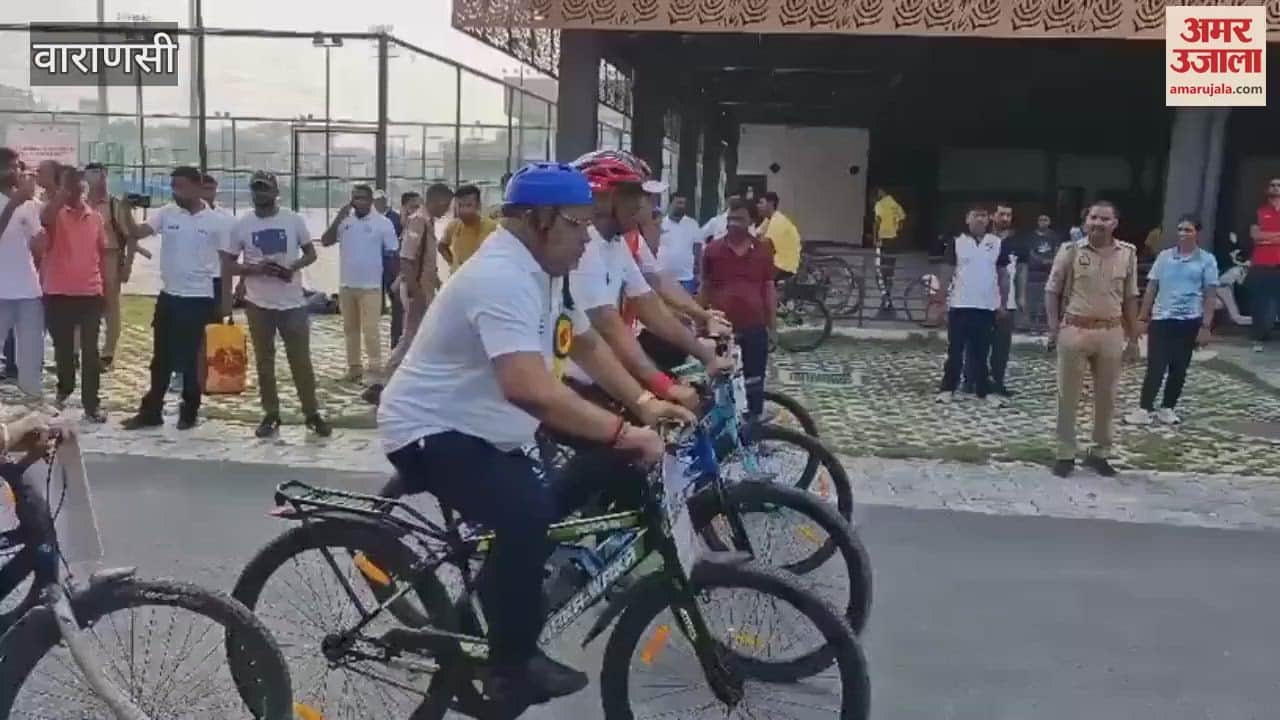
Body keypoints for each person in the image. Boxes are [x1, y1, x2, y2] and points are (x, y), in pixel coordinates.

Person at [376, 162, 691, 713]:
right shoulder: (501, 276)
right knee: (527, 512)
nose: (587, 237)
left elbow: (586, 343)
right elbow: (529, 388)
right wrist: (626, 433)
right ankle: (511, 666)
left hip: (487, 427)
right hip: (432, 428)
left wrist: (645, 403)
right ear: (539, 219)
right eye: (577, 223)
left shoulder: (546, 272)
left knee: (575, 484)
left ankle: (491, 605)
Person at [568, 153, 728, 403]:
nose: (643, 204)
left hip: (604, 373)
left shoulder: (617, 242)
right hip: (576, 381)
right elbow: (608, 325)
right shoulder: (585, 246)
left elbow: (649, 302)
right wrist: (664, 387)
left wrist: (705, 352)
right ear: (604, 197)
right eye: (634, 194)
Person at [220, 171, 332, 439]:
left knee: (301, 362)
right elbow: (228, 264)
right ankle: (271, 414)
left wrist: (292, 267)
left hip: (292, 303)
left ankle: (312, 414)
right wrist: (254, 269)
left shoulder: (292, 220)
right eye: (256, 189)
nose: (260, 194)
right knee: (264, 362)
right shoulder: (242, 224)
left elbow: (311, 253)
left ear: (275, 192)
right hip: (258, 304)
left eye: (265, 188)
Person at [121, 166, 228, 431]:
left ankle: (189, 411)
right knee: (161, 358)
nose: (176, 192)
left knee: (192, 360)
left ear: (196, 187)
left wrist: (225, 301)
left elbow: (227, 263)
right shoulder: (167, 213)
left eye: (181, 186)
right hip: (170, 295)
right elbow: (136, 232)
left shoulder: (217, 221)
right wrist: (125, 209)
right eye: (173, 186)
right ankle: (151, 411)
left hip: (199, 298)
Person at [1046, 200, 1139, 478]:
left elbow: (1130, 297)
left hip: (1111, 331)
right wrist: (1054, 329)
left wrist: (1134, 337)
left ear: (1115, 223)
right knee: (1068, 396)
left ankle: (1099, 453)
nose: (1098, 223)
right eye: (1094, 217)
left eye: (1105, 219)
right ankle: (1065, 453)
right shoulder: (1070, 251)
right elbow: (1052, 290)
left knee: (1107, 397)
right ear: (1086, 221)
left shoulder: (1128, 254)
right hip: (1075, 329)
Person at [360, 185, 451, 405]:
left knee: (417, 337)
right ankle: (385, 384)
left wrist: (438, 285)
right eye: (446, 205)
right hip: (416, 290)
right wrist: (414, 291)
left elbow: (425, 261)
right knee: (409, 338)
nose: (447, 210)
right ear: (437, 201)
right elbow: (407, 258)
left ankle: (404, 382)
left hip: (422, 288)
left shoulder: (427, 221)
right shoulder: (419, 221)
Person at [1124, 215, 1218, 426]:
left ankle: (1168, 407)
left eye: (1188, 230)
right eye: (1180, 229)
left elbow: (1210, 294)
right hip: (1162, 318)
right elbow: (1152, 287)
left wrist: (1206, 325)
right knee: (1156, 365)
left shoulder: (1206, 260)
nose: (1183, 234)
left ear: (1197, 233)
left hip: (1189, 319)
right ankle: (1144, 408)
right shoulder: (1165, 257)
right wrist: (1142, 316)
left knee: (1179, 367)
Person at [37, 166, 108, 422]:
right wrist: (61, 195)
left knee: (91, 351)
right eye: (70, 185)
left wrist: (105, 289)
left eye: (78, 184)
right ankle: (64, 388)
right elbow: (45, 219)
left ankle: (91, 404)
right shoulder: (55, 214)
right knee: (64, 351)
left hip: (90, 294)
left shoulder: (95, 218)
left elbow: (100, 254)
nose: (75, 190)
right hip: (58, 293)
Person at [700, 197, 775, 419]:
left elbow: (769, 288)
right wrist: (699, 321)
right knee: (720, 382)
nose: (733, 224)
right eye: (730, 218)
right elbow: (705, 287)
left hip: (754, 327)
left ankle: (753, 424)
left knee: (754, 381)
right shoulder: (712, 250)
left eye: (740, 219)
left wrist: (773, 326)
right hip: (721, 329)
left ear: (751, 221)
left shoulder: (763, 250)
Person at [321, 184, 398, 382]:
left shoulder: (383, 223)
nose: (359, 202)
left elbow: (393, 252)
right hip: (347, 284)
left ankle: (375, 368)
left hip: (371, 286)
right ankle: (354, 367)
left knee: (371, 329)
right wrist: (338, 217)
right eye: (355, 198)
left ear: (371, 200)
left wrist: (393, 281)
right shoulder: (345, 221)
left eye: (363, 198)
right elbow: (325, 241)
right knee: (350, 329)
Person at [937, 205, 1005, 405]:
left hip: (986, 306)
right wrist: (940, 300)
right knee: (955, 351)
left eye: (983, 216)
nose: (980, 220)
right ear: (968, 219)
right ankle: (948, 388)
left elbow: (1002, 274)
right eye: (976, 216)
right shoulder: (958, 242)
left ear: (988, 219)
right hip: (960, 304)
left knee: (982, 352)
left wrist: (1001, 301)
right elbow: (947, 271)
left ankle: (984, 390)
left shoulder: (996, 243)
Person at [84, 163, 147, 372]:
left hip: (110, 256)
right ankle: (79, 352)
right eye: (92, 174)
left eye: (100, 174)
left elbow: (131, 236)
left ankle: (108, 353)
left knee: (111, 306)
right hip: (84, 259)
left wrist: (128, 266)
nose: (97, 179)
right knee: (83, 305)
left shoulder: (114, 204)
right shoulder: (82, 203)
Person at [0, 149, 45, 401]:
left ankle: (33, 400)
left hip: (28, 291)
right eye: (14, 166)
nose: (19, 171)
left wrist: (41, 241)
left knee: (31, 354)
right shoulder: (17, 202)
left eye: (19, 166)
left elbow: (38, 243)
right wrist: (12, 204)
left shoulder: (30, 204)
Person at [384, 192, 421, 350]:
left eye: (418, 208)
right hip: (398, 282)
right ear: (403, 209)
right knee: (399, 323)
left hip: (412, 283)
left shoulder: (420, 229)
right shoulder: (394, 229)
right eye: (412, 207)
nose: (415, 212)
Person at [1247, 177, 1280, 352]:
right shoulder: (1259, 212)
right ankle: (1258, 337)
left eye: (1279, 185)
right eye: (1272, 185)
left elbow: (1262, 237)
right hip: (1262, 263)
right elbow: (1256, 236)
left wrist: (1266, 237)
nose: (1275, 188)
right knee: (1260, 302)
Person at [439, 184, 494, 273]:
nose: (463, 210)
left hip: (481, 277)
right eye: (460, 205)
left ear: (478, 206)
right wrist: (453, 263)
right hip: (458, 277)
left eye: (468, 205)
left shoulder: (491, 227)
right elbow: (442, 246)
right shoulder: (453, 225)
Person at [657, 191, 703, 294]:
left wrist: (699, 274)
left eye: (683, 203)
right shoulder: (660, 223)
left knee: (687, 304)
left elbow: (698, 250)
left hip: (686, 277)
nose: (681, 206)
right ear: (670, 204)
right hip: (663, 278)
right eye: (678, 203)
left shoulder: (692, 224)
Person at [1026, 212, 1063, 332]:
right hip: (1033, 274)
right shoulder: (1031, 236)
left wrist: (1050, 262)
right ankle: (1033, 325)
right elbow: (1030, 253)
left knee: (1047, 300)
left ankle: (1045, 326)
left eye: (1045, 220)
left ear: (1049, 222)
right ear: (1037, 222)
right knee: (1033, 299)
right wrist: (1042, 261)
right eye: (1041, 220)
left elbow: (1058, 252)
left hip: (1050, 273)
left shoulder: (1054, 236)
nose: (1043, 222)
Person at [873, 187, 906, 316]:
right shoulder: (895, 204)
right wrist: (896, 231)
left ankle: (885, 297)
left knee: (879, 270)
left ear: (881, 192)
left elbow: (877, 222)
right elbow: (902, 219)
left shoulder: (880, 205)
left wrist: (875, 238)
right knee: (890, 270)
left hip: (883, 240)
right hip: (893, 240)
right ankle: (888, 294)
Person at [756, 192, 800, 281]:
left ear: (770, 204)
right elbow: (756, 236)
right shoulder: (768, 220)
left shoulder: (778, 220)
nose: (758, 206)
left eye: (761, 203)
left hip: (784, 266)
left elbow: (764, 246)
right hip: (777, 264)